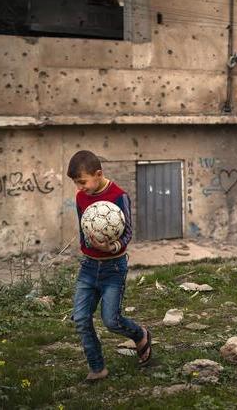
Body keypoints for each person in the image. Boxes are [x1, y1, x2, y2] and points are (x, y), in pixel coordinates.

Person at [67, 150, 151, 382]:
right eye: (76, 183)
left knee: (111, 321)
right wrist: (88, 245)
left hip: (113, 268)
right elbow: (83, 227)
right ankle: (97, 368)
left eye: (82, 181)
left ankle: (140, 335)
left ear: (98, 174)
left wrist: (111, 247)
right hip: (88, 267)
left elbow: (128, 232)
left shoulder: (118, 196)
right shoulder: (81, 197)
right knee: (81, 318)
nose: (80, 187)